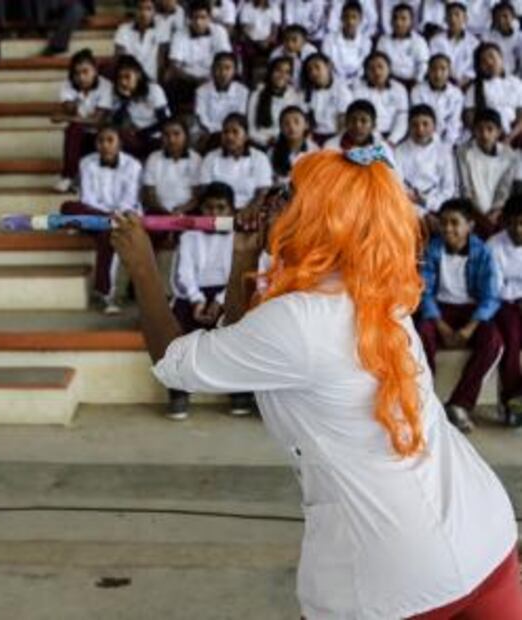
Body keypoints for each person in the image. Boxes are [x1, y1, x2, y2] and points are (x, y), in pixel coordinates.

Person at [110, 147, 522, 619]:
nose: (272, 202)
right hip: (483, 533)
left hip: (394, 576)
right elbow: (241, 339)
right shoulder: (376, 286)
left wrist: (142, 266)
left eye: (289, 196)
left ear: (320, 218)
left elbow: (173, 361)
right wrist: (244, 256)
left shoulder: (299, 320)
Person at [416, 198, 503, 434]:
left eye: (455, 223)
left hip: (471, 312)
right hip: (439, 310)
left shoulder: (482, 253)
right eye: (443, 223)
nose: (448, 229)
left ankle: (459, 404)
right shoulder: (432, 249)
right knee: (422, 334)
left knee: (493, 341)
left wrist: (469, 328)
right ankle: (425, 399)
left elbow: (490, 297)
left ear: (470, 226)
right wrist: (441, 325)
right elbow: (424, 292)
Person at [166, 182, 235, 420]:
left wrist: (220, 301)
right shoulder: (189, 236)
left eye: (221, 208)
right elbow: (182, 275)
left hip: (227, 292)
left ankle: (241, 392)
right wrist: (197, 300)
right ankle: (178, 392)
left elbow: (238, 274)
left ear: (231, 210)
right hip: (193, 292)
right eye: (209, 208)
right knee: (176, 329)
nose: (214, 213)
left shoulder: (238, 236)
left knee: (240, 323)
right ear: (201, 210)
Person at [60, 125, 142, 315]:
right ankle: (105, 293)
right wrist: (107, 217)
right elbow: (87, 199)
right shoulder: (86, 163)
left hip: (123, 217)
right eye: (100, 141)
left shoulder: (133, 165)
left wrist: (114, 217)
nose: (105, 145)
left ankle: (106, 294)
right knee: (67, 207)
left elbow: (129, 200)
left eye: (110, 140)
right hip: (95, 214)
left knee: (108, 233)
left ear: (119, 143)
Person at [53, 49, 112, 193]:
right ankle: (68, 176)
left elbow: (97, 121)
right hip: (80, 134)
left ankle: (80, 179)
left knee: (81, 128)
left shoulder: (106, 86)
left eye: (85, 72)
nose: (81, 77)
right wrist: (76, 104)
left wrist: (66, 118)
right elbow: (69, 108)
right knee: (73, 130)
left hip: (99, 132)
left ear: (95, 71)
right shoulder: (67, 85)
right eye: (76, 73)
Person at [489, 194, 522, 426]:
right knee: (511, 340)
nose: (519, 229)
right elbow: (497, 288)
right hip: (503, 305)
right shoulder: (493, 246)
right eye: (514, 223)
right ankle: (511, 400)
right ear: (505, 222)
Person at [456, 108, 516, 236]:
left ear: (499, 132)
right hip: (472, 210)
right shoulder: (464, 153)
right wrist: (480, 215)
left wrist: (496, 211)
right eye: (480, 129)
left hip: (498, 212)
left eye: (490, 129)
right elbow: (465, 189)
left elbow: (504, 189)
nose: (484, 134)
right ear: (474, 131)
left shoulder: (509, 155)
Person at [199, 113, 274, 212]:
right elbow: (204, 190)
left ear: (246, 136)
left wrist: (247, 212)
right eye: (225, 132)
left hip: (249, 212)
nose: (229, 137)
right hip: (218, 212)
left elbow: (262, 193)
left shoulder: (259, 158)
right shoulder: (211, 157)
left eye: (235, 132)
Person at [100, 55, 170, 160]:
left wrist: (141, 134)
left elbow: (164, 121)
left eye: (127, 77)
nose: (123, 82)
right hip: (136, 135)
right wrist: (125, 100)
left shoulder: (153, 90)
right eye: (120, 78)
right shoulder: (119, 93)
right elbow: (116, 122)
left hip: (156, 135)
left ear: (138, 75)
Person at [166, 1, 231, 112]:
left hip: (213, 77)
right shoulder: (179, 34)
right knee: (171, 83)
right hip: (187, 79)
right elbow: (174, 64)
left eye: (203, 17)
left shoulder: (219, 32)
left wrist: (211, 77)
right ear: (189, 18)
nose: (198, 22)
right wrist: (193, 79)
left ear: (209, 18)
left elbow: (225, 58)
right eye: (194, 18)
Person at [395, 105, 457, 220]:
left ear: (434, 126)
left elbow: (448, 189)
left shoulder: (443, 151)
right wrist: (421, 212)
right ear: (408, 127)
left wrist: (427, 202)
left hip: (437, 206)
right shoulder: (399, 151)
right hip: (408, 206)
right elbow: (397, 185)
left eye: (425, 124)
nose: (420, 130)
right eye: (414, 125)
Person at [141, 118, 202, 217]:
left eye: (176, 134)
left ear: (186, 136)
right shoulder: (153, 158)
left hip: (188, 211)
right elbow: (149, 193)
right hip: (158, 211)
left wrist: (182, 209)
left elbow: (197, 195)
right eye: (166, 135)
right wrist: (165, 212)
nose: (171, 140)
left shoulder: (195, 158)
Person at [464, 42, 522, 144]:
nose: (489, 63)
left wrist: (509, 138)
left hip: (515, 133)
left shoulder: (515, 83)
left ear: (501, 58)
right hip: (487, 135)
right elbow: (470, 116)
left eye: (492, 57)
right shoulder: (475, 87)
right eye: (484, 61)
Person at [194, 51, 249, 152]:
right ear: (212, 70)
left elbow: (239, 116)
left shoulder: (243, 91)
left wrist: (225, 131)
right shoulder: (201, 91)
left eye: (227, 68)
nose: (223, 72)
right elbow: (202, 117)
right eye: (218, 68)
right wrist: (215, 131)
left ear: (235, 71)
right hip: (209, 133)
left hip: (233, 131)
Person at [352, 51, 409, 145]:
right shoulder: (359, 89)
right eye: (371, 69)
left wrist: (392, 140)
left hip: (395, 137)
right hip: (368, 136)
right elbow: (361, 118)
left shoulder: (399, 89)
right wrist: (378, 140)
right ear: (365, 72)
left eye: (380, 67)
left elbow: (402, 118)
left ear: (389, 68)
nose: (377, 72)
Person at [410, 53, 465, 145]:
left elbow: (454, 122)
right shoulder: (417, 91)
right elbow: (420, 118)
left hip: (448, 139)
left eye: (443, 69)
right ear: (428, 71)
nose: (438, 74)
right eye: (434, 69)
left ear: (449, 71)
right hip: (423, 136)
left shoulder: (456, 94)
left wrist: (447, 143)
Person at [247, 56, 302, 148]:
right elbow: (250, 128)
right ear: (270, 72)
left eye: (287, 72)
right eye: (278, 70)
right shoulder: (257, 94)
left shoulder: (293, 95)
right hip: (261, 143)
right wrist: (265, 140)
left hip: (286, 142)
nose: (282, 75)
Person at [301, 52, 352, 143]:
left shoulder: (341, 90)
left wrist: (337, 142)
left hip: (334, 135)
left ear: (329, 66)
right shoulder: (307, 92)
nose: (313, 72)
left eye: (317, 67)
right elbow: (307, 119)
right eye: (310, 70)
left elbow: (343, 121)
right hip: (314, 136)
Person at [113, 0, 168, 83]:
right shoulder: (123, 29)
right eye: (140, 8)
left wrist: (159, 83)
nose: (143, 13)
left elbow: (161, 62)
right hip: (130, 81)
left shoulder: (161, 29)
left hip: (152, 81)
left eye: (148, 9)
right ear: (135, 10)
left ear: (154, 12)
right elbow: (120, 60)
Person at [375, 3, 430, 86]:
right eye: (395, 18)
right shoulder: (383, 40)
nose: (398, 23)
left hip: (413, 83)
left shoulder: (419, 41)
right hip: (389, 82)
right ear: (391, 21)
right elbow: (380, 63)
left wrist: (417, 82)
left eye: (403, 19)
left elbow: (423, 65)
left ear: (411, 21)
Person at [321, 1, 371, 87]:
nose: (350, 21)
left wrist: (354, 82)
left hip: (359, 83)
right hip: (335, 82)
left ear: (360, 19)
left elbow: (363, 68)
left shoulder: (366, 42)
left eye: (354, 17)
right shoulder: (329, 40)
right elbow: (329, 65)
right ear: (341, 18)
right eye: (346, 17)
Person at [429, 2, 478, 88]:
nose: (452, 19)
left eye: (457, 15)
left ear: (465, 18)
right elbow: (434, 63)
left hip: (467, 84)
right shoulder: (436, 40)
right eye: (449, 15)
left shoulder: (474, 42)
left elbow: (474, 67)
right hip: (442, 82)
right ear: (445, 19)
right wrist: (449, 79)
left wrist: (465, 80)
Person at [269, 105, 317, 185]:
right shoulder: (272, 152)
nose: (292, 127)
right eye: (286, 123)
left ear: (306, 125)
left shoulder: (314, 151)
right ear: (281, 128)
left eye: (296, 122)